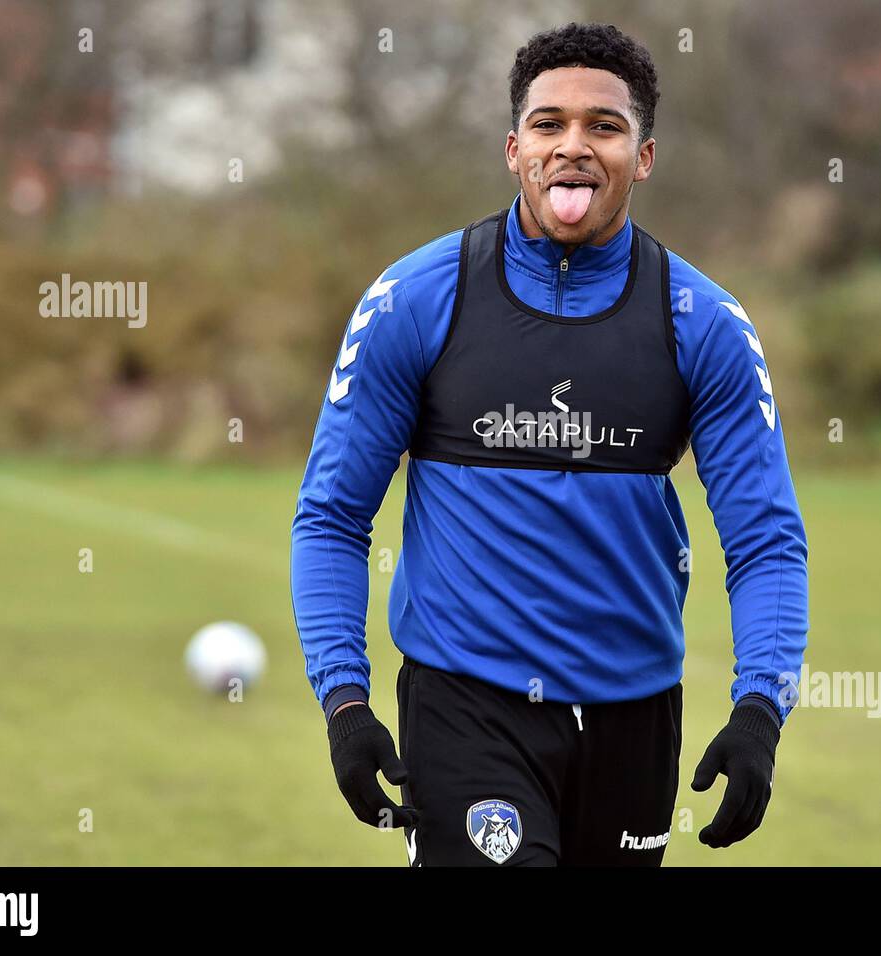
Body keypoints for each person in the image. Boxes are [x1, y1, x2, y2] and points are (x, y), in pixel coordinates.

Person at [290, 21, 808, 866]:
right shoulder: (415, 300)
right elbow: (332, 518)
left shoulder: (702, 323)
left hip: (634, 714)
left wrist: (760, 711)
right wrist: (345, 703)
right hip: (467, 702)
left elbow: (766, 541)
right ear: (513, 148)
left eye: (603, 126)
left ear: (642, 157)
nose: (573, 147)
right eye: (548, 124)